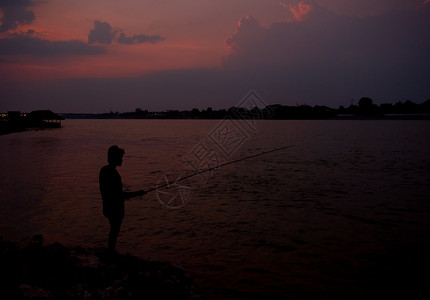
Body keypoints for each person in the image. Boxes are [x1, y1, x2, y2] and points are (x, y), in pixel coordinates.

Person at [99, 145, 146, 254]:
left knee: (113, 230)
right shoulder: (113, 174)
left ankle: (111, 251)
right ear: (115, 158)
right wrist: (138, 193)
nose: (122, 159)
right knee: (114, 231)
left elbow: (109, 193)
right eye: (120, 157)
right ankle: (111, 252)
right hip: (114, 208)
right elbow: (119, 195)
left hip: (107, 206)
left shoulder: (104, 170)